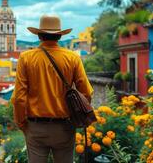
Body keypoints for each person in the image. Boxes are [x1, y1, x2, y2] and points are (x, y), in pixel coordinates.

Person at [11, 15, 94, 163]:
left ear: (39, 35)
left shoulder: (26, 58)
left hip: (36, 127)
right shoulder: (72, 58)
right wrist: (77, 116)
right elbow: (86, 92)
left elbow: (19, 97)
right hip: (65, 127)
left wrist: (21, 123)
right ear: (60, 35)